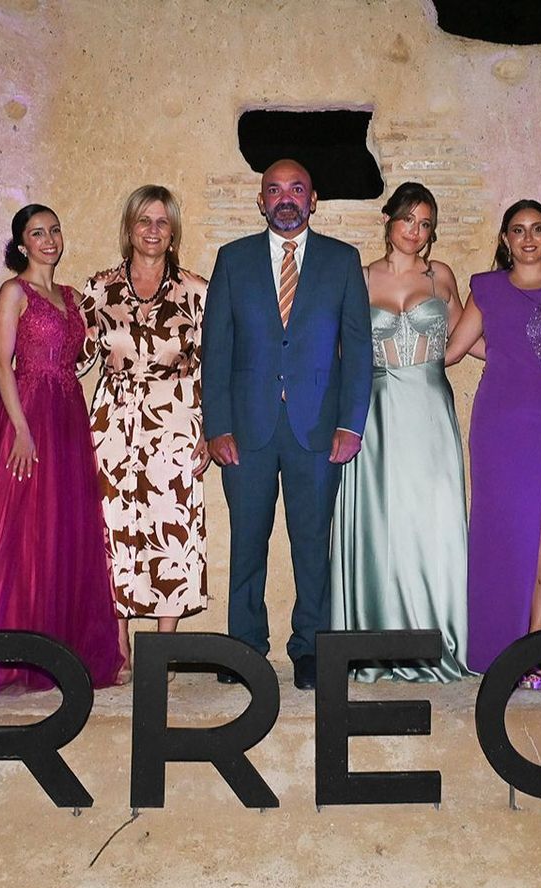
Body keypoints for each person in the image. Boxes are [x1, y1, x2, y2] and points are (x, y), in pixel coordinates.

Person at [201, 158, 371, 691]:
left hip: (318, 429)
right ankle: (246, 648)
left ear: (313, 199)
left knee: (310, 544)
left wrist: (351, 423)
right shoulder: (233, 260)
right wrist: (217, 425)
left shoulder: (343, 261)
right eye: (274, 190)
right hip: (246, 431)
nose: (286, 198)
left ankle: (310, 648)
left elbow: (359, 349)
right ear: (261, 200)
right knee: (247, 543)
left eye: (297, 188)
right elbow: (217, 349)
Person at [0, 204, 126, 691]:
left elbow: (81, 357)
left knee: (61, 532)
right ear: (21, 244)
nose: (49, 239)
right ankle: (11, 655)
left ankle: (60, 648)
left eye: (55, 229)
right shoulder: (14, 292)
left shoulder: (72, 297)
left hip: (67, 417)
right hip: (26, 415)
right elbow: (0, 364)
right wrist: (21, 428)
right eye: (38, 233)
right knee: (20, 534)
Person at [446, 199, 541, 686]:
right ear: (505, 240)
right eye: (517, 230)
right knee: (500, 532)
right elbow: (454, 350)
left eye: (537, 229)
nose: (527, 238)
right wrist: (433, 290)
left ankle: (536, 648)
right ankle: (495, 649)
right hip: (499, 421)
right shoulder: (485, 289)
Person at [329, 182, 473, 682]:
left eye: (426, 222)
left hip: (431, 410)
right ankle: (376, 643)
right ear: (388, 221)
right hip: (377, 412)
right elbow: (342, 351)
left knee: (431, 522)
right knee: (381, 525)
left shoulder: (443, 276)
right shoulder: (360, 276)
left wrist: (536, 368)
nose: (415, 230)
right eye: (408, 219)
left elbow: (466, 340)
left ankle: (436, 640)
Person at [82, 186, 211, 676]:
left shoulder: (197, 291)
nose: (153, 229)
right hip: (112, 422)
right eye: (144, 220)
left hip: (176, 419)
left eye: (162, 221)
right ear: (130, 228)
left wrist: (211, 426)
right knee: (112, 530)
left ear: (173, 231)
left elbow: (213, 365)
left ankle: (161, 650)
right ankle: (119, 646)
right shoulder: (100, 288)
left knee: (172, 525)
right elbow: (79, 360)